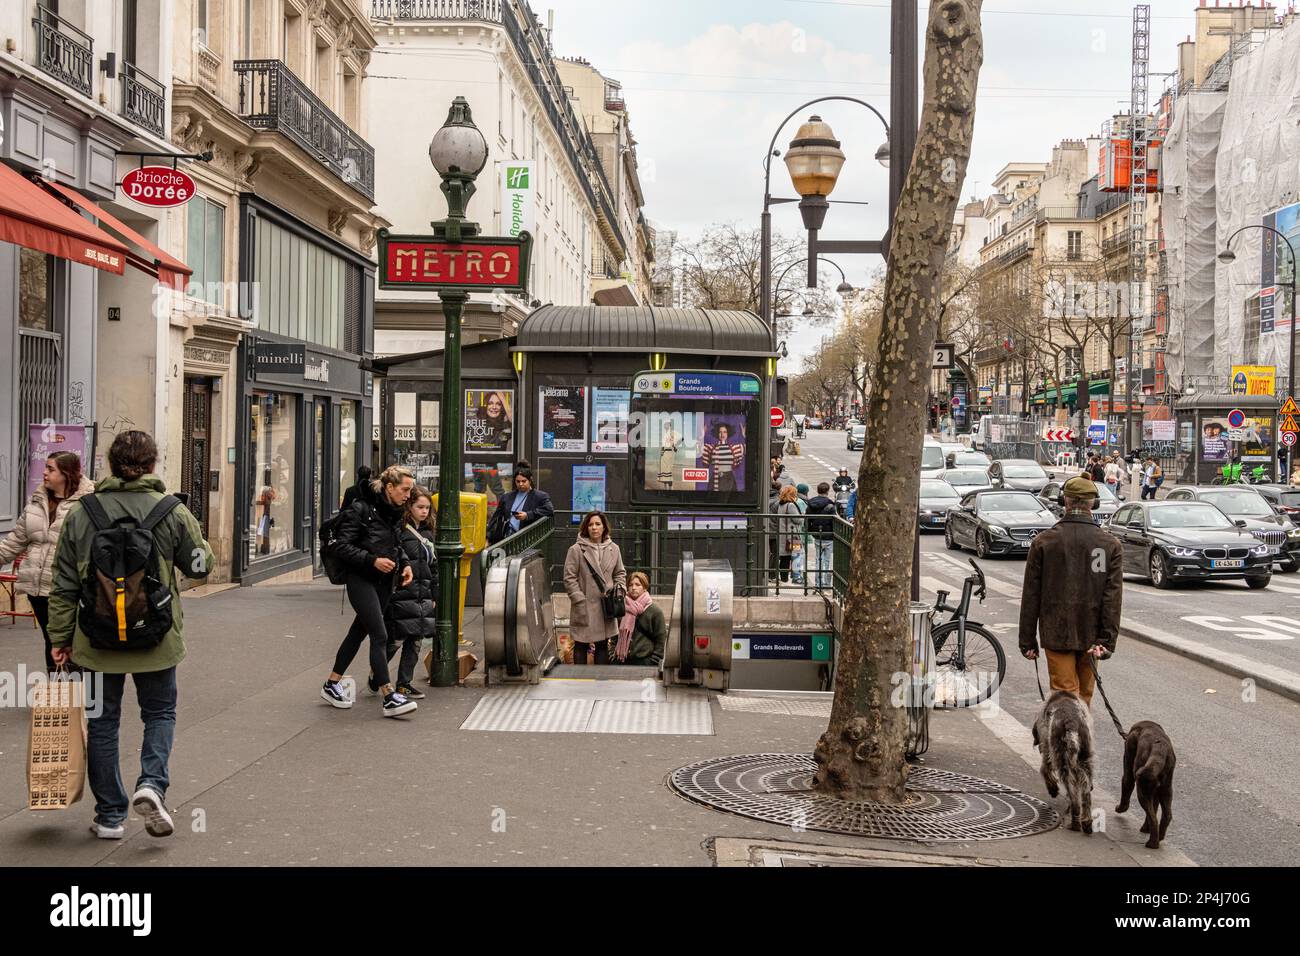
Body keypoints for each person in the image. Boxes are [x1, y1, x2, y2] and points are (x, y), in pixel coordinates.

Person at [47, 430, 214, 840]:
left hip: (95, 639)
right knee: (158, 713)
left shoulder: (82, 512)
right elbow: (200, 565)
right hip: (155, 638)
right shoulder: (170, 510)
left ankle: (109, 816)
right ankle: (151, 785)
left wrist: (59, 638)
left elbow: (64, 582)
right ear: (153, 464)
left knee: (102, 723)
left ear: (109, 463)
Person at [322, 465, 418, 718]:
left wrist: (405, 564)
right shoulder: (361, 509)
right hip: (360, 578)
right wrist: (371, 560)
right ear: (389, 487)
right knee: (379, 634)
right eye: (404, 490)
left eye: (410, 490)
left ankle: (332, 683)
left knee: (358, 632)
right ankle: (388, 695)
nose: (408, 495)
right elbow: (340, 546)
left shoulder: (395, 512)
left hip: (385, 580)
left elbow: (397, 544)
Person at [1019, 476, 1122, 708]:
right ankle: (1081, 740)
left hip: (1056, 632)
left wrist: (1027, 640)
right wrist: (1107, 640)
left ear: (1064, 501)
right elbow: (1112, 598)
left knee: (1064, 696)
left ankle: (1066, 741)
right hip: (1093, 634)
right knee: (1084, 698)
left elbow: (1031, 595)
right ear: (1093, 504)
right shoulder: (1110, 544)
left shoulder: (1044, 542)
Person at [0, 451, 95, 672]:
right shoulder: (37, 501)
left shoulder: (87, 504)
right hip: (38, 590)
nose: (44, 472)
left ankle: (83, 696)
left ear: (67, 473)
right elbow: (14, 542)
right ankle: (60, 697)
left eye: (51, 469)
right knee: (52, 641)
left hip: (69, 590)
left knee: (73, 643)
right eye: (45, 467)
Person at [382, 486, 438, 699]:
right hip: (404, 592)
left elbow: (433, 566)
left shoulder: (426, 532)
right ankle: (378, 673)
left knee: (415, 641)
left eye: (427, 508)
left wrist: (434, 595)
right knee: (396, 639)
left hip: (422, 593)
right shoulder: (400, 531)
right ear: (409, 507)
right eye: (419, 507)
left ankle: (404, 683)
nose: (424, 511)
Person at [563, 510, 626, 665]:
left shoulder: (614, 549)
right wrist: (578, 598)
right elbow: (569, 578)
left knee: (603, 644)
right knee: (581, 644)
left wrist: (619, 590)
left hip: (606, 605)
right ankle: (580, 682)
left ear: (604, 527)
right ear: (586, 528)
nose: (594, 528)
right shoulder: (576, 550)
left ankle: (600, 682)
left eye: (598, 524)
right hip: (584, 605)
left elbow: (620, 573)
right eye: (590, 524)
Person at [487, 461, 555, 544]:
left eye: (524, 481)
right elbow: (496, 518)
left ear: (530, 480)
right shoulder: (507, 497)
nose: (521, 484)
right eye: (518, 481)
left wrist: (528, 515)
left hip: (527, 541)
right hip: (507, 539)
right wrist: (488, 537)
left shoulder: (540, 496)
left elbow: (549, 510)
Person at [615, 571, 667, 666]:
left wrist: (654, 661)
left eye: (637, 585)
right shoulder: (622, 608)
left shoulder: (655, 611)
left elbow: (661, 639)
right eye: (630, 585)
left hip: (645, 662)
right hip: (622, 661)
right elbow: (615, 634)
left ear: (644, 588)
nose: (633, 588)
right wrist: (612, 656)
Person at [805, 482, 838, 589]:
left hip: (817, 535)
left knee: (818, 559)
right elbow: (834, 522)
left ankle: (817, 583)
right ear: (827, 491)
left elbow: (807, 519)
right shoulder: (830, 505)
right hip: (828, 535)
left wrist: (811, 531)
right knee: (828, 560)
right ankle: (827, 583)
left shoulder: (811, 504)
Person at [701, 423, 744, 492]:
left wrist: (744, 436)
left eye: (724, 432)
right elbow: (697, 448)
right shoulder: (711, 447)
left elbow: (748, 448)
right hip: (715, 480)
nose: (722, 434)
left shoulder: (734, 448)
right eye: (720, 432)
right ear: (717, 434)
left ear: (728, 433)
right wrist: (701, 436)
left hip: (729, 479)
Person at [775, 484, 802, 583]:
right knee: (796, 555)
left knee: (784, 558)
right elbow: (798, 520)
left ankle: (784, 578)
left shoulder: (781, 504)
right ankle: (796, 577)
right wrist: (802, 515)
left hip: (783, 534)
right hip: (792, 536)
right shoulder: (790, 505)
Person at [657, 420, 681, 489]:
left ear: (669, 425)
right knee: (663, 472)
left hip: (670, 453)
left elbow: (681, 438)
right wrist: (661, 453)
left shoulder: (672, 432)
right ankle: (665, 489)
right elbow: (663, 445)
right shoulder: (665, 434)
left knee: (669, 471)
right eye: (664, 424)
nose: (665, 426)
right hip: (663, 454)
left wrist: (675, 446)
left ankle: (671, 488)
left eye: (666, 424)